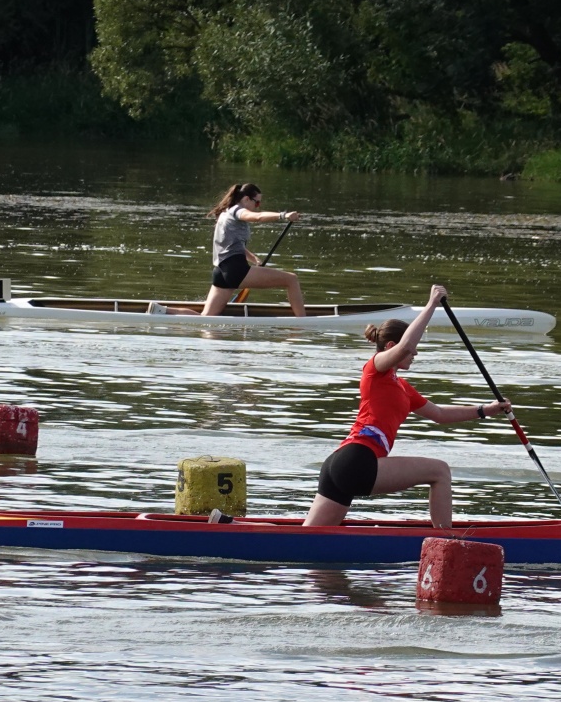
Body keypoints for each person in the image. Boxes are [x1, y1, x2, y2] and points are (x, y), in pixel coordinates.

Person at [305, 284, 510, 529]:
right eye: (412, 349)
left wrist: (485, 410)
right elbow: (405, 346)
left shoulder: (401, 387)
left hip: (342, 464)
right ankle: (446, 542)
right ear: (391, 347)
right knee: (440, 471)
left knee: (307, 539)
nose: (415, 354)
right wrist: (431, 304)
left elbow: (439, 414)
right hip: (357, 460)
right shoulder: (375, 369)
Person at [200, 182, 304, 316]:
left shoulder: (225, 214)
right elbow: (258, 217)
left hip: (220, 271)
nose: (257, 206)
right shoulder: (238, 211)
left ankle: (171, 312)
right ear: (246, 199)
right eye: (257, 203)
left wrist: (254, 258)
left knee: (206, 316)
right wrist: (283, 215)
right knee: (291, 280)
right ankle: (303, 322)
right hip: (236, 270)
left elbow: (233, 245)